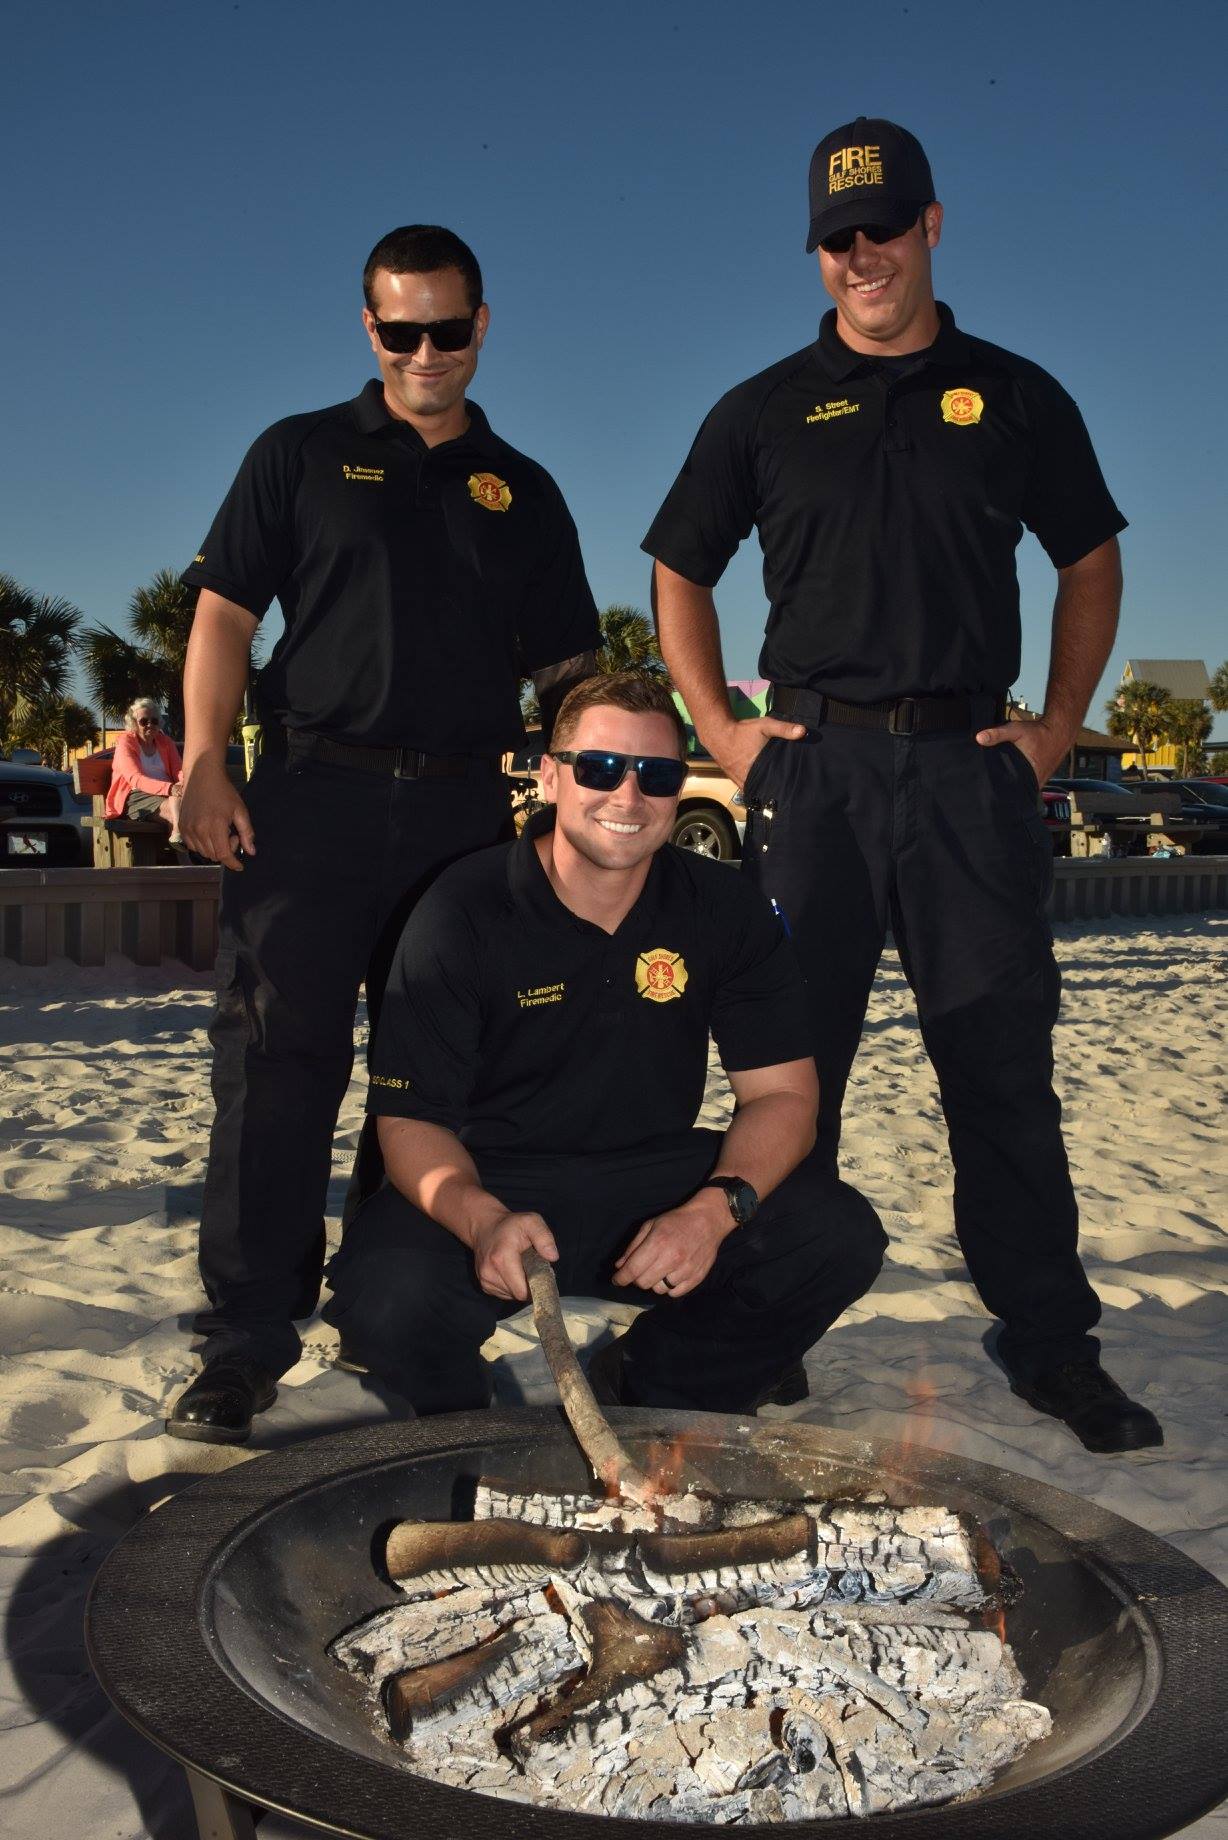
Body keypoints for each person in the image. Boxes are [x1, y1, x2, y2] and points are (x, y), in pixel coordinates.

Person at [642, 118, 1161, 1454]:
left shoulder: (1017, 395)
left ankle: (1051, 1344)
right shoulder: (762, 407)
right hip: (811, 776)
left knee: (1000, 1068)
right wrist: (723, 730)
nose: (861, 255)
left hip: (965, 774)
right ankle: (765, 1331)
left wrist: (1058, 725)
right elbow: (680, 567)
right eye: (838, 238)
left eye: (883, 228)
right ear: (816, 253)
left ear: (933, 225)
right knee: (790, 1071)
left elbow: (1089, 560)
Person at [166, 225, 599, 1443]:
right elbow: (224, 613)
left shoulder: (524, 489)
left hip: (464, 820)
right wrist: (204, 759)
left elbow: (569, 670)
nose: (423, 352)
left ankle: (390, 1312)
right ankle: (247, 1338)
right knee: (275, 1066)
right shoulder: (297, 453)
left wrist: (602, 782)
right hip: (309, 800)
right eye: (399, 331)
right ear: (369, 328)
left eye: (445, 330)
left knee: (433, 1074)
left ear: (481, 325)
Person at [321, 671, 885, 1418]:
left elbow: (784, 1096)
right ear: (551, 777)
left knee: (835, 1234)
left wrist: (712, 1212)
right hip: (490, 1177)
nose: (628, 795)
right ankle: (468, 1434)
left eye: (656, 775)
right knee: (386, 1297)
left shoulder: (723, 906)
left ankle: (656, 1388)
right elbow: (409, 1122)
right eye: (600, 768)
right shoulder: (463, 907)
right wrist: (482, 1219)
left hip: (652, 1177)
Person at [105, 698, 182, 836]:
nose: (149, 725)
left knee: (193, 810)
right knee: (175, 813)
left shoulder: (166, 742)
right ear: (134, 723)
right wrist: (170, 788)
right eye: (144, 721)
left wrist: (184, 783)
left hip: (168, 794)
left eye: (154, 721)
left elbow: (178, 770)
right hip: (137, 795)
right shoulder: (126, 742)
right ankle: (181, 849)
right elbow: (135, 779)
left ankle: (181, 844)